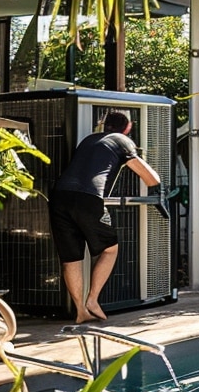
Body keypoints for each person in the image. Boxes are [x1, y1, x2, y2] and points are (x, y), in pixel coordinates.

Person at [48, 110, 160, 323]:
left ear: (103, 125)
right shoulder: (122, 141)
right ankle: (92, 300)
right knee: (110, 249)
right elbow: (152, 178)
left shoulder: (89, 139)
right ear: (128, 128)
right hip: (88, 199)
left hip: (59, 198)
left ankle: (80, 311)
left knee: (71, 258)